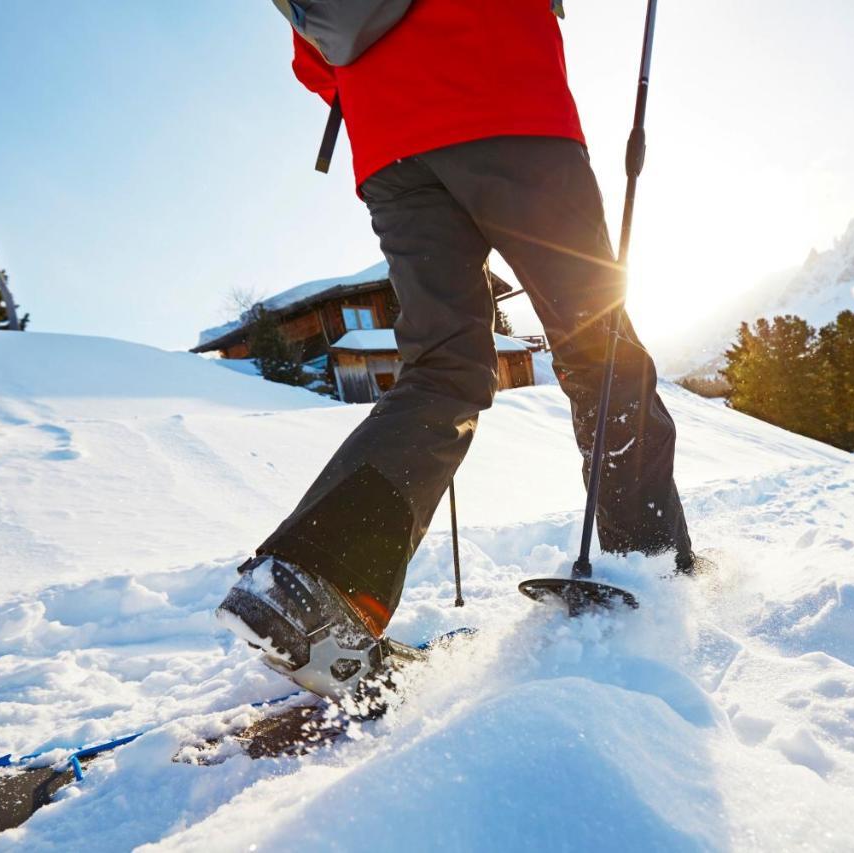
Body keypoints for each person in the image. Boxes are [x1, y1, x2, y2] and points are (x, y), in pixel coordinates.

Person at [217, 0, 695, 698]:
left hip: (389, 142)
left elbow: (314, 56)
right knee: (599, 341)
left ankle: (313, 578)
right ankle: (646, 570)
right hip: (508, 93)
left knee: (443, 367)